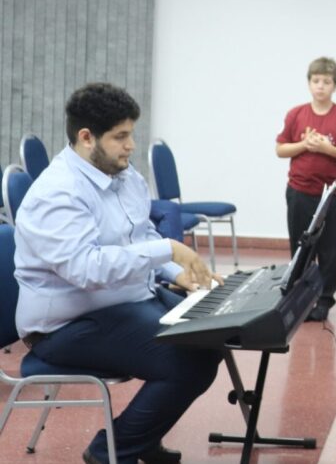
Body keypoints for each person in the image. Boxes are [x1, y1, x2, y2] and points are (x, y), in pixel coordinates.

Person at [14, 83, 221, 464]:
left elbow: (141, 235)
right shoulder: (57, 193)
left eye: (131, 135)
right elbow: (87, 269)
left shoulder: (123, 176)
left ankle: (140, 438)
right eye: (120, 137)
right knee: (188, 360)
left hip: (123, 300)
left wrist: (177, 273)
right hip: (65, 325)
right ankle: (112, 451)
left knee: (211, 333)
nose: (130, 146)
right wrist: (168, 250)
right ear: (86, 137)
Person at [275, 56, 336, 322]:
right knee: (300, 247)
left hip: (334, 194)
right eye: (316, 81)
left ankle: (324, 299)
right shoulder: (296, 114)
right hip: (300, 191)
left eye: (326, 81)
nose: (320, 86)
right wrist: (305, 145)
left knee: (330, 249)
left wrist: (327, 148)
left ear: (335, 85)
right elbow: (280, 148)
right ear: (309, 83)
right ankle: (300, 297)